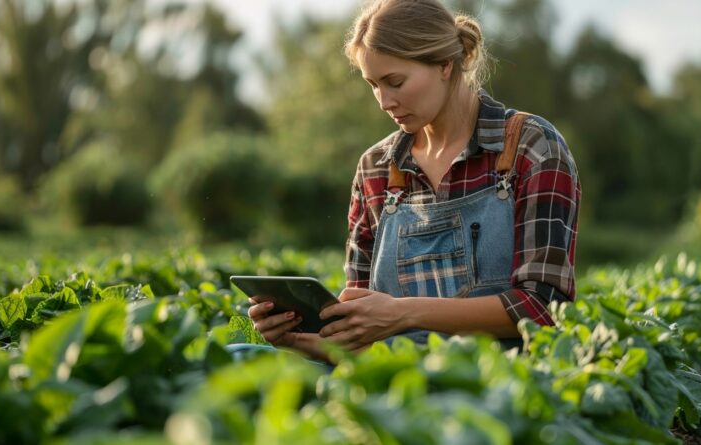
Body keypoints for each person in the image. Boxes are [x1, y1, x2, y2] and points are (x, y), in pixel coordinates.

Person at [245, 0, 580, 363]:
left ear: (444, 64)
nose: (384, 101)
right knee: (240, 352)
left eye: (395, 82)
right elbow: (359, 337)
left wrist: (403, 312)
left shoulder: (531, 147)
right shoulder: (375, 169)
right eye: (373, 85)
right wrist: (292, 337)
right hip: (396, 392)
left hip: (500, 388)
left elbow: (544, 308)